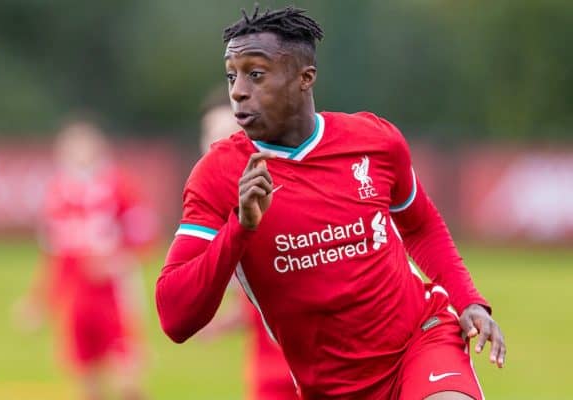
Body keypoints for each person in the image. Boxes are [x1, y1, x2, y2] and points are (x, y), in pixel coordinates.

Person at [156, 5, 505, 400]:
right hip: (333, 387)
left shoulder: (374, 141)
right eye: (232, 75)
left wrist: (468, 300)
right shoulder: (217, 175)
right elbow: (175, 317)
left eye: (255, 74)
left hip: (421, 341)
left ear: (304, 78)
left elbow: (420, 226)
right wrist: (241, 228)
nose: (237, 90)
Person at [15, 118, 156, 400]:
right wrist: (38, 300)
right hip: (77, 297)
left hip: (114, 292)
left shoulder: (118, 185)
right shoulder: (58, 192)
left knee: (127, 375)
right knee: (86, 379)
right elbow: (54, 254)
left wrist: (115, 259)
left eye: (84, 146)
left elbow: (145, 232)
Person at [198, 85, 297, 400]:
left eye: (229, 134)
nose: (219, 146)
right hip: (267, 375)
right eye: (210, 136)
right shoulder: (215, 215)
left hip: (321, 369)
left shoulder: (294, 200)